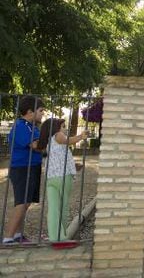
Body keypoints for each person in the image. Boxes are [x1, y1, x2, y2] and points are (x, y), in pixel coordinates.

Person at [37, 118, 88, 242]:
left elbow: (58, 158)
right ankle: (62, 237)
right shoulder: (58, 135)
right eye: (63, 126)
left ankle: (55, 236)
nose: (65, 129)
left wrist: (74, 166)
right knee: (63, 207)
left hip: (51, 178)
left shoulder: (47, 141)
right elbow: (67, 141)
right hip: (63, 178)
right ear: (55, 128)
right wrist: (81, 136)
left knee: (54, 209)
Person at [2, 96, 45, 244]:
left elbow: (42, 145)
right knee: (22, 202)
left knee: (25, 203)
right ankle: (8, 237)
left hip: (32, 167)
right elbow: (36, 145)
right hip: (22, 168)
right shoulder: (21, 126)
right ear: (29, 111)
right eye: (40, 111)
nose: (42, 114)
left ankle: (17, 235)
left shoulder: (32, 126)